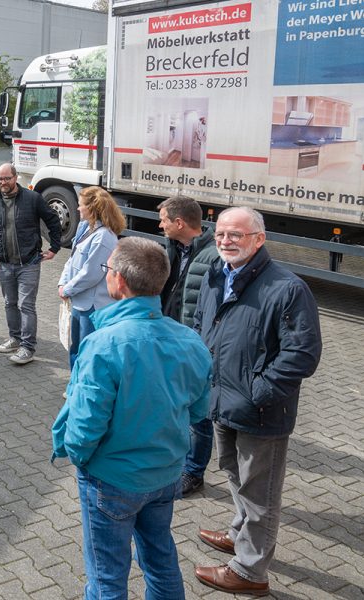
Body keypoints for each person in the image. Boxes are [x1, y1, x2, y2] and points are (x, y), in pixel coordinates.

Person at [51, 237, 212, 599]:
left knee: (107, 577)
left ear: (118, 281)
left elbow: (84, 427)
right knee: (160, 559)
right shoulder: (191, 340)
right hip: (166, 473)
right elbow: (201, 411)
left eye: (107, 269)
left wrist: (78, 457)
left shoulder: (103, 344)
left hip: (112, 480)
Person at [194, 207, 321, 596]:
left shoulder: (287, 288)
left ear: (259, 239)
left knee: (260, 493)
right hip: (222, 401)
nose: (226, 241)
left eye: (236, 235)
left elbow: (302, 354)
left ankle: (250, 572)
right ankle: (239, 534)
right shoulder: (217, 276)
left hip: (259, 411)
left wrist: (258, 393)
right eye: (220, 235)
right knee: (235, 475)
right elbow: (203, 328)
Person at [157, 195, 220, 496]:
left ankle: (194, 473)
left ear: (179, 223)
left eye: (164, 220)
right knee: (174, 406)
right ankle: (175, 460)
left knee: (199, 415)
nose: (160, 225)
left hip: (194, 348)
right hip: (168, 339)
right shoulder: (170, 248)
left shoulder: (214, 256)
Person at [0, 162, 61, 365]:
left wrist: (54, 248)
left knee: (26, 305)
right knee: (10, 303)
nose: (3, 182)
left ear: (15, 178)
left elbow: (53, 220)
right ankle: (15, 339)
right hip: (4, 264)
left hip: (29, 263)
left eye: (7, 178)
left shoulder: (32, 199)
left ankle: (28, 347)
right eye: (0, 179)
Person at [57, 186, 125, 367]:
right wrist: (62, 282)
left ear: (93, 208)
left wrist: (67, 288)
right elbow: (71, 260)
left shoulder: (104, 237)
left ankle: (84, 387)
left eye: (81, 205)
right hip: (79, 301)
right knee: (76, 348)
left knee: (88, 352)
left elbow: (91, 273)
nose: (78, 209)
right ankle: (75, 385)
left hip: (93, 306)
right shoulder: (84, 227)